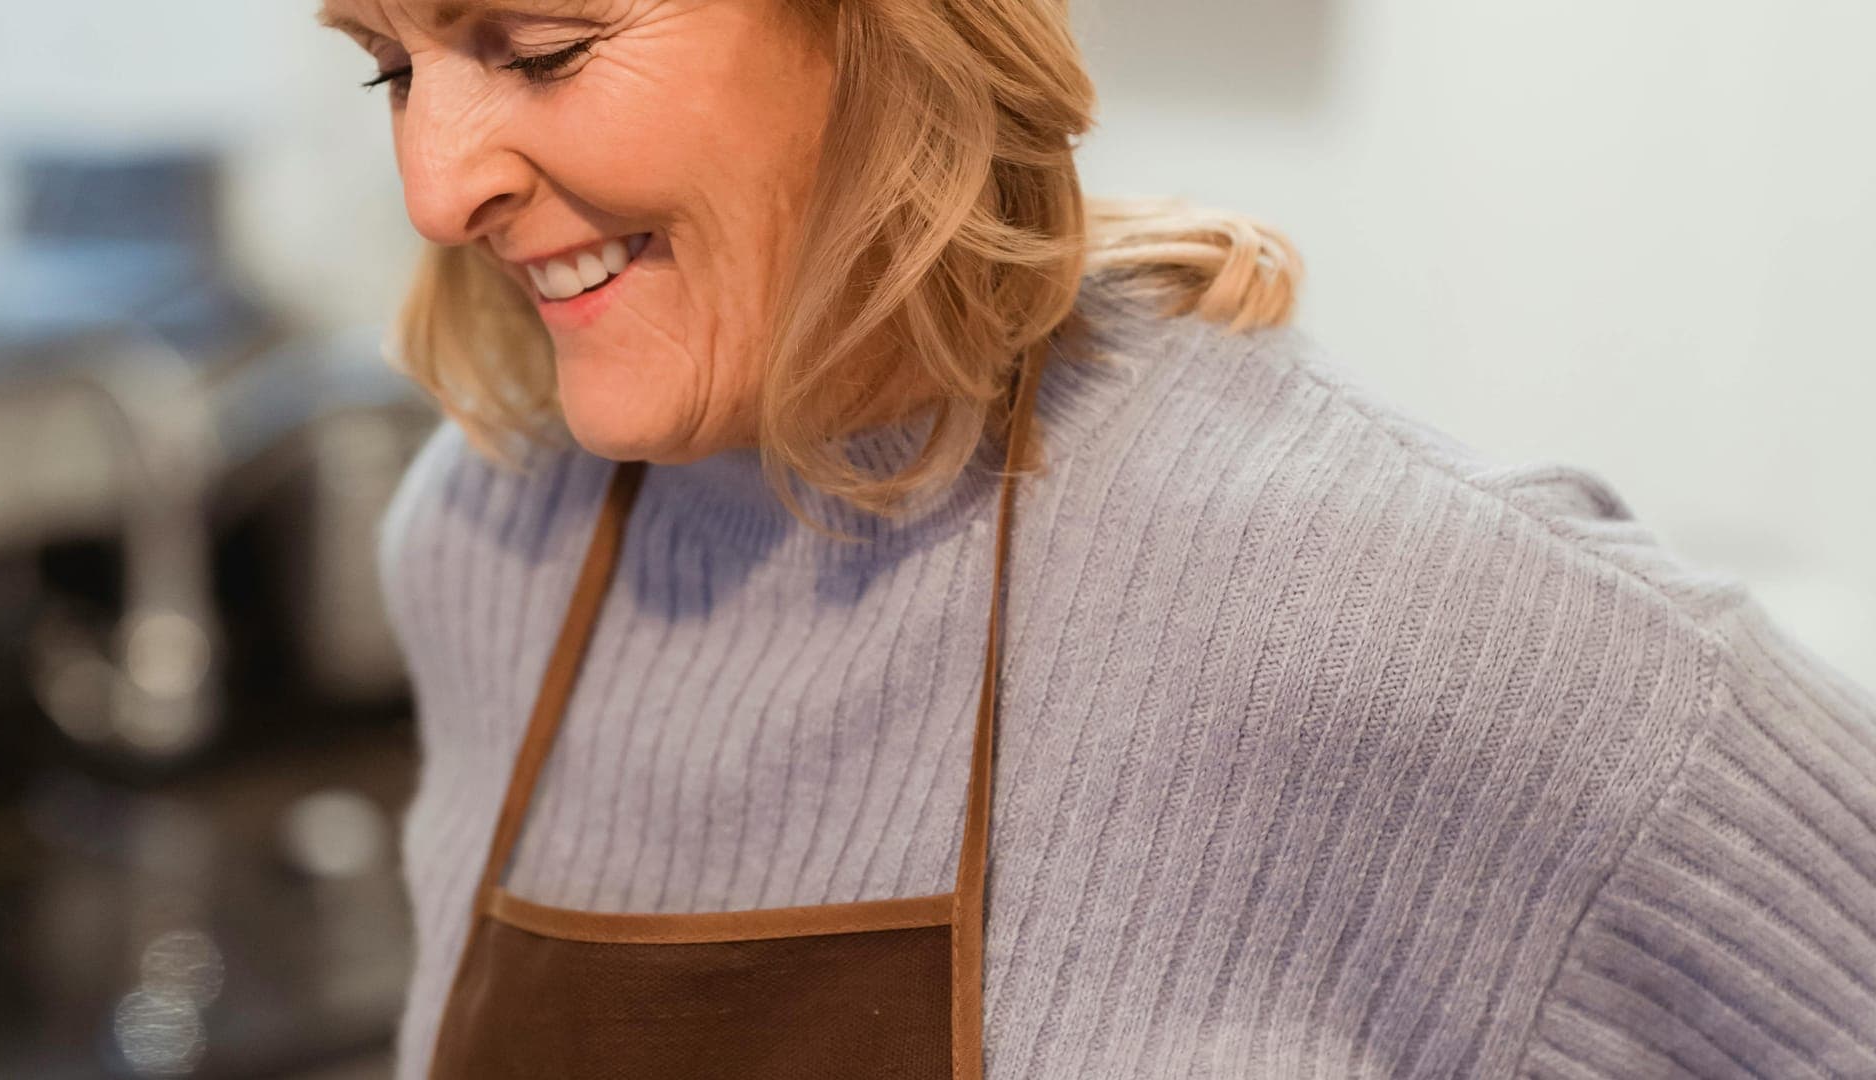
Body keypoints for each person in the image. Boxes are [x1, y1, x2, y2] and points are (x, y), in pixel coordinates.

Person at [316, 0, 1876, 1076]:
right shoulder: (486, 540)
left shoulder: (1371, 609)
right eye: (391, 63)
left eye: (536, 46)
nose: (433, 186)